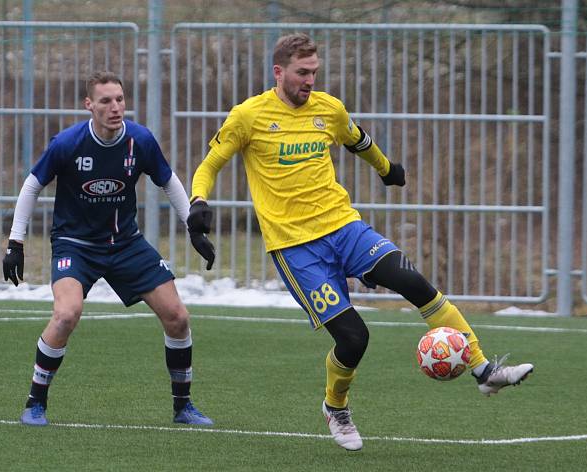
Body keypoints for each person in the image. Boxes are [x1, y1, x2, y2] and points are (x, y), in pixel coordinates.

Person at [188, 34, 533, 451]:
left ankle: (483, 371)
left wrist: (388, 169)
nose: (309, 80)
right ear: (278, 72)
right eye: (302, 73)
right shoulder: (249, 117)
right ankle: (336, 406)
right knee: (354, 338)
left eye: (314, 72)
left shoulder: (329, 110)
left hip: (345, 228)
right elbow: (209, 165)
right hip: (296, 247)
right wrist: (198, 205)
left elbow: (359, 141)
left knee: (415, 283)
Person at [2, 71, 216, 427]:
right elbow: (31, 186)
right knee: (66, 314)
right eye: (105, 101)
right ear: (89, 105)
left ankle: (183, 407)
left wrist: (192, 228)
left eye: (119, 99)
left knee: (178, 317)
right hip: (76, 244)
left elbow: (168, 181)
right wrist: (15, 242)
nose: (115, 107)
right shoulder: (67, 144)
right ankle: (35, 402)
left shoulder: (140, 140)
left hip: (126, 244)